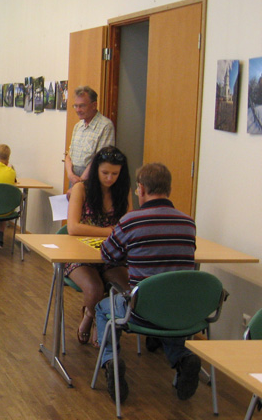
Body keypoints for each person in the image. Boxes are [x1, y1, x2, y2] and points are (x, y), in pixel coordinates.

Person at [94, 162, 199, 403]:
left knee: (103, 308)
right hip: (181, 311)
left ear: (141, 189)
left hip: (140, 312)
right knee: (167, 307)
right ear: (168, 189)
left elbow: (107, 255)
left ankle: (110, 361)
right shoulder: (188, 222)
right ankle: (182, 358)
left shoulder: (132, 221)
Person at [65, 146, 132, 347]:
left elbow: (128, 225)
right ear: (96, 170)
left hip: (112, 256)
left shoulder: (123, 191)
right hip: (80, 255)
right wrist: (110, 231)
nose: (110, 178)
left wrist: (114, 233)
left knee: (126, 290)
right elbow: (73, 228)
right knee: (95, 289)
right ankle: (89, 316)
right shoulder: (81, 189)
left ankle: (102, 321)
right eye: (105, 173)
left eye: (115, 174)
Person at [64, 86, 115, 186]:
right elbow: (69, 156)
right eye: (75, 106)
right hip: (74, 178)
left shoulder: (105, 126)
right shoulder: (78, 126)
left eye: (82, 106)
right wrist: (70, 175)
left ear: (94, 105)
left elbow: (100, 159)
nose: (78, 110)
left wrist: (80, 182)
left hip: (91, 178)